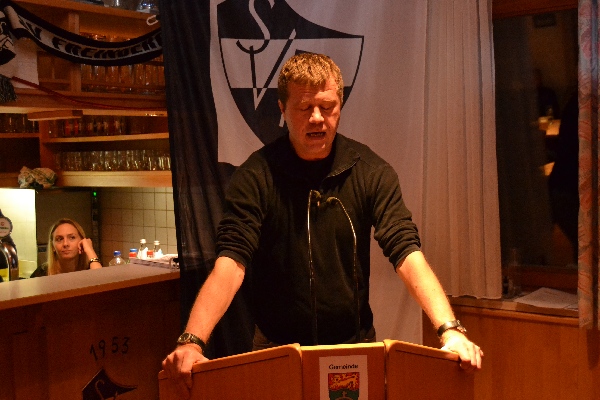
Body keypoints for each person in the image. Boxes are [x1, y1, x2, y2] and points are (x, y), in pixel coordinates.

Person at [162, 53, 483, 397]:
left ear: (340, 107)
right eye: (304, 108)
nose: (317, 118)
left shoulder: (371, 171)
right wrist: (192, 341)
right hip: (277, 348)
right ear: (282, 109)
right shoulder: (256, 175)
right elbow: (231, 262)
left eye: (327, 107)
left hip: (352, 347)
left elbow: (406, 251)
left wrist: (450, 330)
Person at [30, 218, 101, 277]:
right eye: (59, 239)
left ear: (81, 242)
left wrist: (90, 251)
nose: (65, 244)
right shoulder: (41, 274)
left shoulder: (92, 268)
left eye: (72, 237)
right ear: (53, 246)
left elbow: (101, 282)